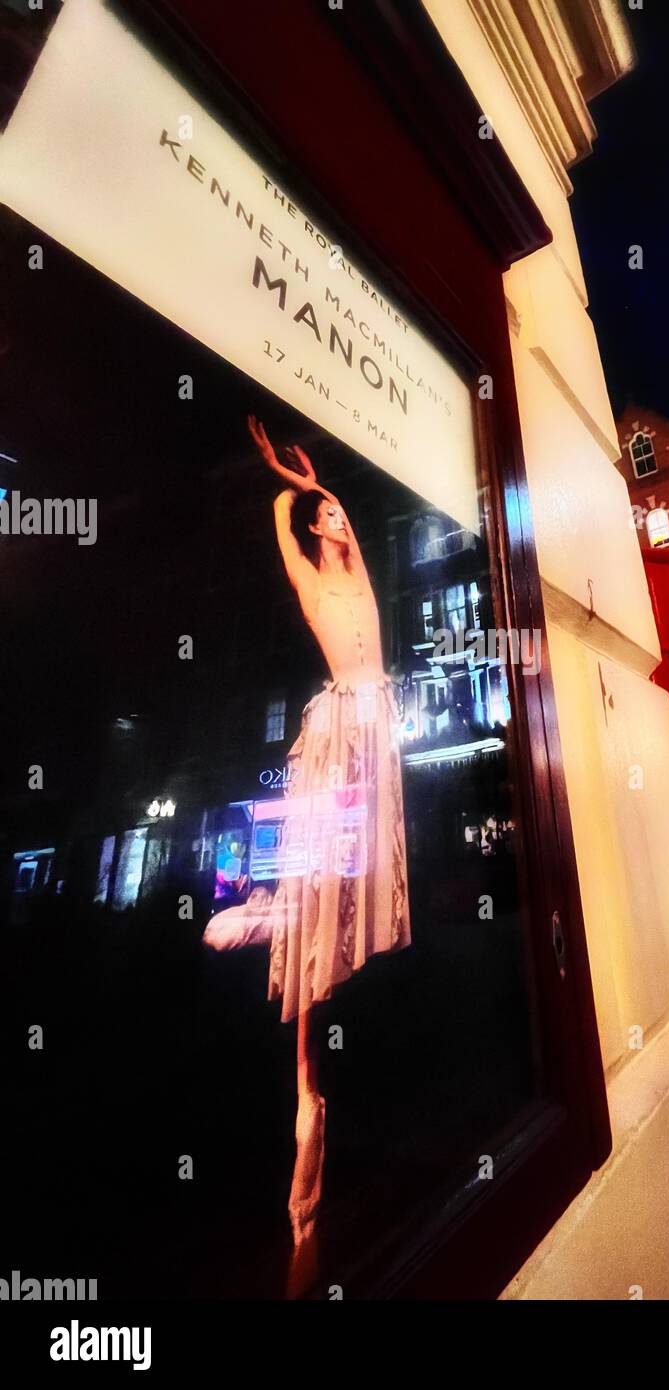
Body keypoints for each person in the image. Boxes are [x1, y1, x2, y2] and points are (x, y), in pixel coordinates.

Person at [203, 416, 411, 1289]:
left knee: (358, 872)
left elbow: (342, 525)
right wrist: (287, 486)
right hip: (338, 732)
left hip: (374, 731)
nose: (335, 528)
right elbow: (288, 534)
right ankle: (278, 918)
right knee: (325, 863)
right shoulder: (318, 593)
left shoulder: (361, 582)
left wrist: (322, 487)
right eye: (327, 524)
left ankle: (284, 920)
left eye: (339, 521)